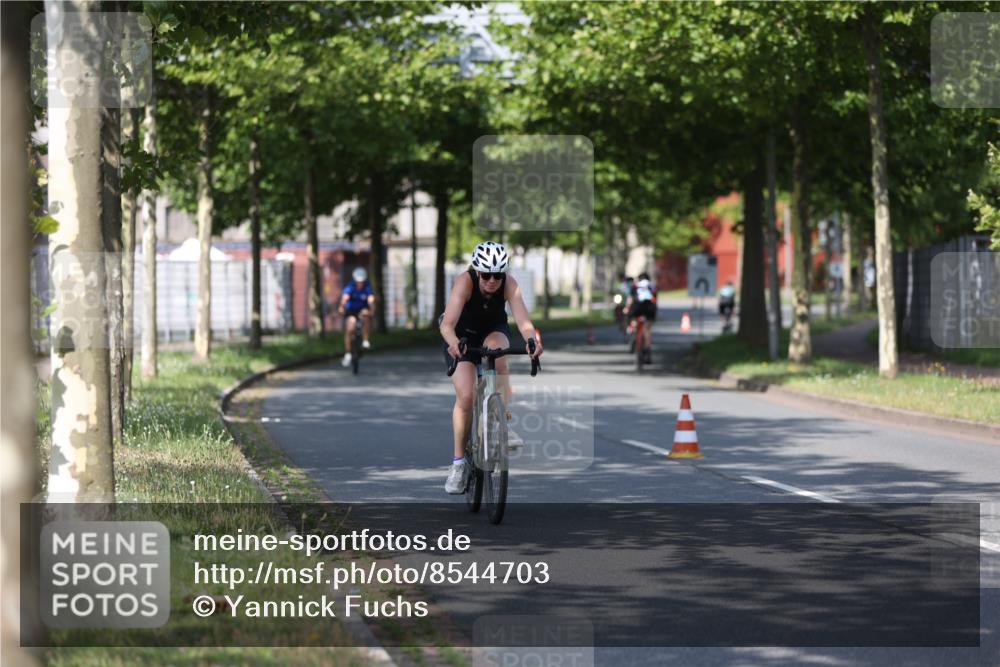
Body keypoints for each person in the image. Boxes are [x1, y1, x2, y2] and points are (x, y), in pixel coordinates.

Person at [439, 241, 542, 494]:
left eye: (498, 274)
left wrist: (532, 341)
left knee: (498, 354)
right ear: (477, 270)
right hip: (461, 336)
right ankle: (459, 463)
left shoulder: (509, 284)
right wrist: (453, 344)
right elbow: (446, 325)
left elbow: (523, 321)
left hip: (492, 330)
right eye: (486, 275)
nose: (492, 281)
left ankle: (502, 423)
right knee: (466, 395)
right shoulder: (465, 281)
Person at [338, 267, 374, 367]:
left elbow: (371, 300)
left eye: (361, 281)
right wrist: (341, 307)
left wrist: (372, 309)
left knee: (365, 317)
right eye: (358, 281)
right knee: (350, 328)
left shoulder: (367, 287)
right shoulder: (351, 287)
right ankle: (348, 353)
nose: (360, 283)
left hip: (362, 310)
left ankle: (365, 340)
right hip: (351, 311)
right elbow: (345, 298)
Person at [626, 272, 656, 361]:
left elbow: (630, 299)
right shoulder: (652, 285)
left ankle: (635, 336)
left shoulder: (635, 286)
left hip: (637, 307)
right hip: (649, 308)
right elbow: (654, 299)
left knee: (634, 321)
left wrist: (627, 309)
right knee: (648, 330)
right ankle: (648, 351)